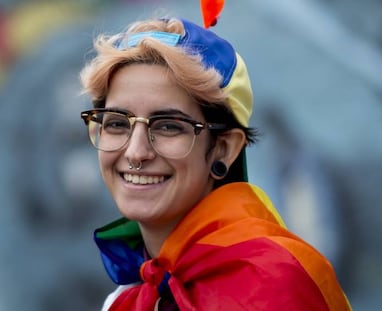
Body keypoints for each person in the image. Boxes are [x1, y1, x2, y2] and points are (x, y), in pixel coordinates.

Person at [80, 16, 352, 311]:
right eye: (117, 123)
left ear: (223, 149)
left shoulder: (273, 287)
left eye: (168, 126)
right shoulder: (128, 295)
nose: (136, 151)